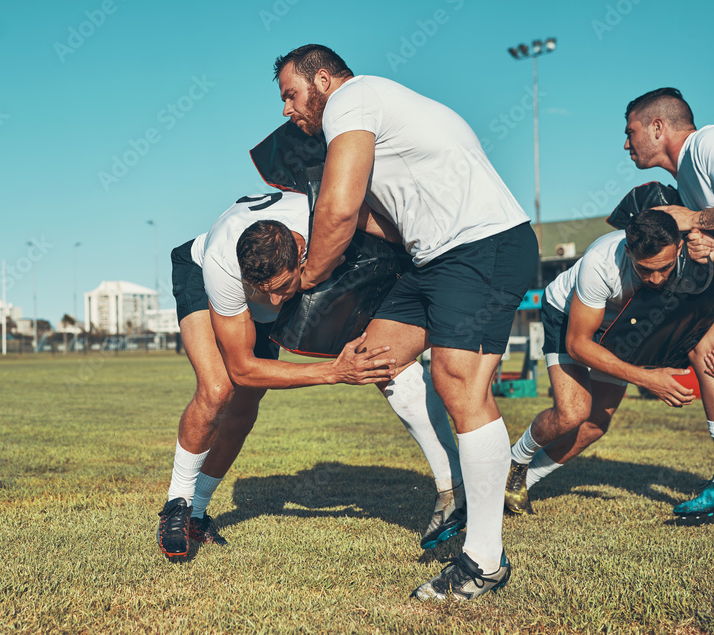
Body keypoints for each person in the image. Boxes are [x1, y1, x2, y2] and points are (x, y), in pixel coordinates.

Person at [272, 44, 538, 601]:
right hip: (437, 257)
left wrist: (309, 275)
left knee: (459, 384)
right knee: (376, 358)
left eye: (291, 95)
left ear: (323, 79)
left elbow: (341, 211)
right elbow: (381, 220)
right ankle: (455, 486)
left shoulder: (352, 99)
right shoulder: (371, 114)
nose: (287, 110)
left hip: (483, 244)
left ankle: (485, 561)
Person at [158, 190, 466, 562]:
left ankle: (197, 514)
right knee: (219, 388)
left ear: (303, 252)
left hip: (281, 266)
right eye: (265, 293)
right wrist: (335, 372)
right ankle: (177, 504)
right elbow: (243, 369)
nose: (274, 302)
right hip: (198, 271)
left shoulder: (328, 219)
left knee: (243, 409)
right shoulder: (222, 265)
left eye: (283, 289)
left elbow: (394, 227)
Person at [504, 209, 706, 514]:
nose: (655, 278)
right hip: (569, 317)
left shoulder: (692, 253)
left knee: (595, 425)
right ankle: (515, 461)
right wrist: (648, 378)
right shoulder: (600, 263)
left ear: (678, 248)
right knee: (572, 413)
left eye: (663, 268)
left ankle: (521, 482)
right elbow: (578, 344)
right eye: (644, 269)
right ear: (628, 251)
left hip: (623, 324)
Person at [619, 88, 714, 517]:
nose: (626, 143)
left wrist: (693, 220)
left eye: (631, 131)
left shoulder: (706, 145)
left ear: (658, 128)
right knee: (703, 349)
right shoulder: (689, 180)